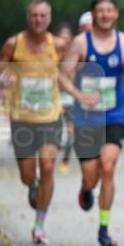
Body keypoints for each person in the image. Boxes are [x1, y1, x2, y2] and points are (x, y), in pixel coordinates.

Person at [59, 0, 124, 246]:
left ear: (116, 13)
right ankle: (86, 188)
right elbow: (63, 76)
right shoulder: (80, 43)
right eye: (100, 10)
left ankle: (104, 228)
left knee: (108, 167)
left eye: (109, 10)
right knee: (92, 178)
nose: (105, 14)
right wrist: (79, 95)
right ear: (93, 14)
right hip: (86, 117)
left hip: (115, 113)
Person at [0, 0, 69, 244]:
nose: (38, 20)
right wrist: (3, 79)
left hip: (51, 116)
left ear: (50, 18)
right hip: (22, 117)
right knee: (27, 175)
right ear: (28, 18)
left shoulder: (58, 45)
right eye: (34, 15)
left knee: (47, 166)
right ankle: (32, 184)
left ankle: (39, 225)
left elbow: (68, 71)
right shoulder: (14, 44)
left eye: (43, 15)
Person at [53, 24, 76, 173]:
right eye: (62, 38)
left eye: (68, 39)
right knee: (55, 133)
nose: (65, 41)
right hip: (53, 101)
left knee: (72, 133)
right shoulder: (51, 56)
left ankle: (65, 162)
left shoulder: (75, 56)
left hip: (71, 101)